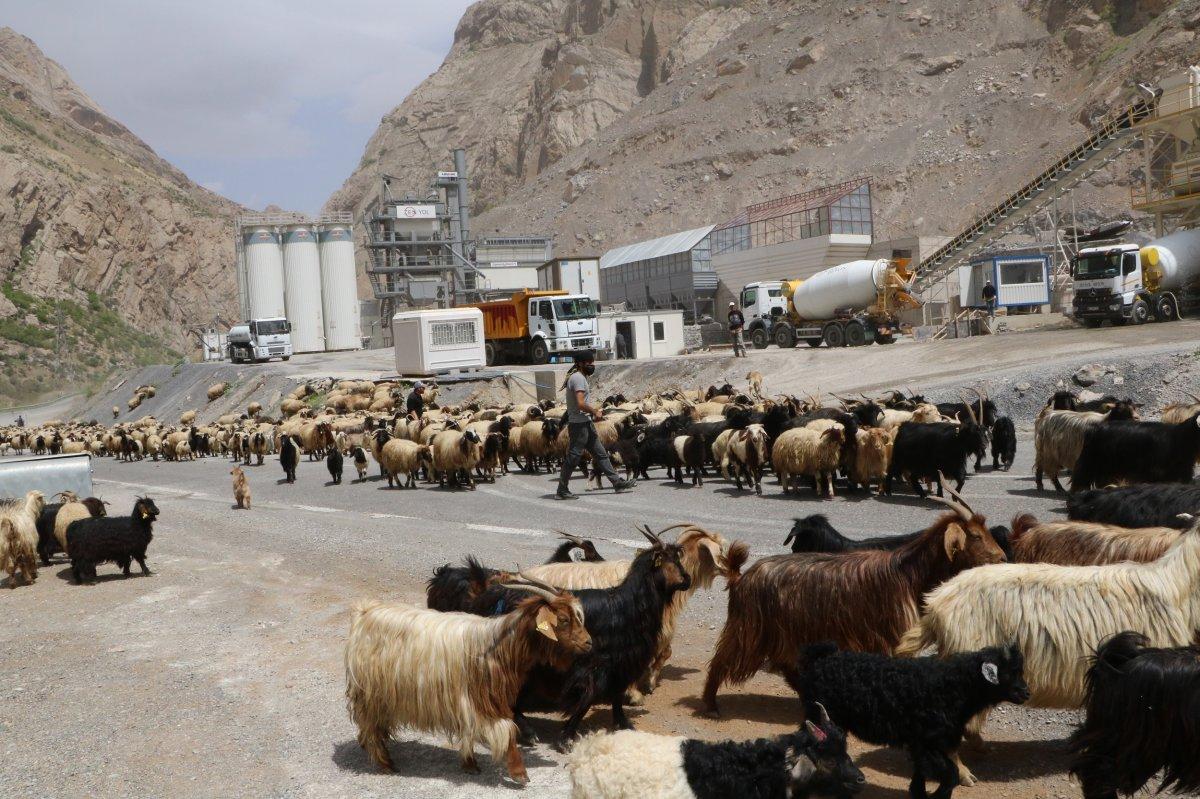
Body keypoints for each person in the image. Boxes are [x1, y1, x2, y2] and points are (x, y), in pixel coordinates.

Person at [556, 351, 635, 500]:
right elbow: (580, 403)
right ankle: (561, 489)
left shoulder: (580, 377)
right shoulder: (578, 378)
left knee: (601, 454)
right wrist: (595, 412)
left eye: (592, 362)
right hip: (579, 425)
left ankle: (617, 483)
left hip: (586, 423)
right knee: (573, 457)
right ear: (580, 363)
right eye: (588, 363)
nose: (592, 365)